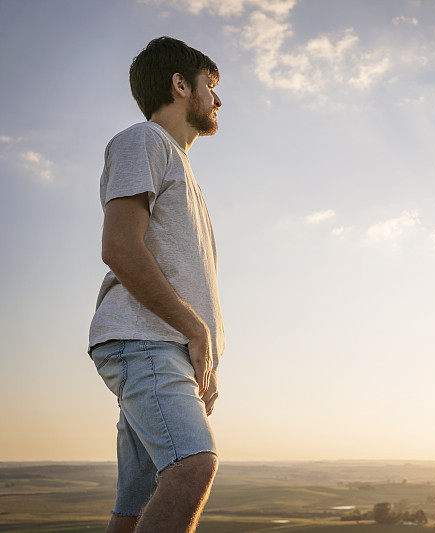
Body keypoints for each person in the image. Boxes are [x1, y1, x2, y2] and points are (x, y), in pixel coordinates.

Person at [87, 36, 225, 533]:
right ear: (180, 85)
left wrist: (203, 352)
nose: (218, 99)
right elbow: (120, 247)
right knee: (194, 467)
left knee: (136, 511)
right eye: (210, 85)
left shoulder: (179, 166)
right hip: (146, 340)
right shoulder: (143, 141)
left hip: (164, 347)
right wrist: (196, 330)